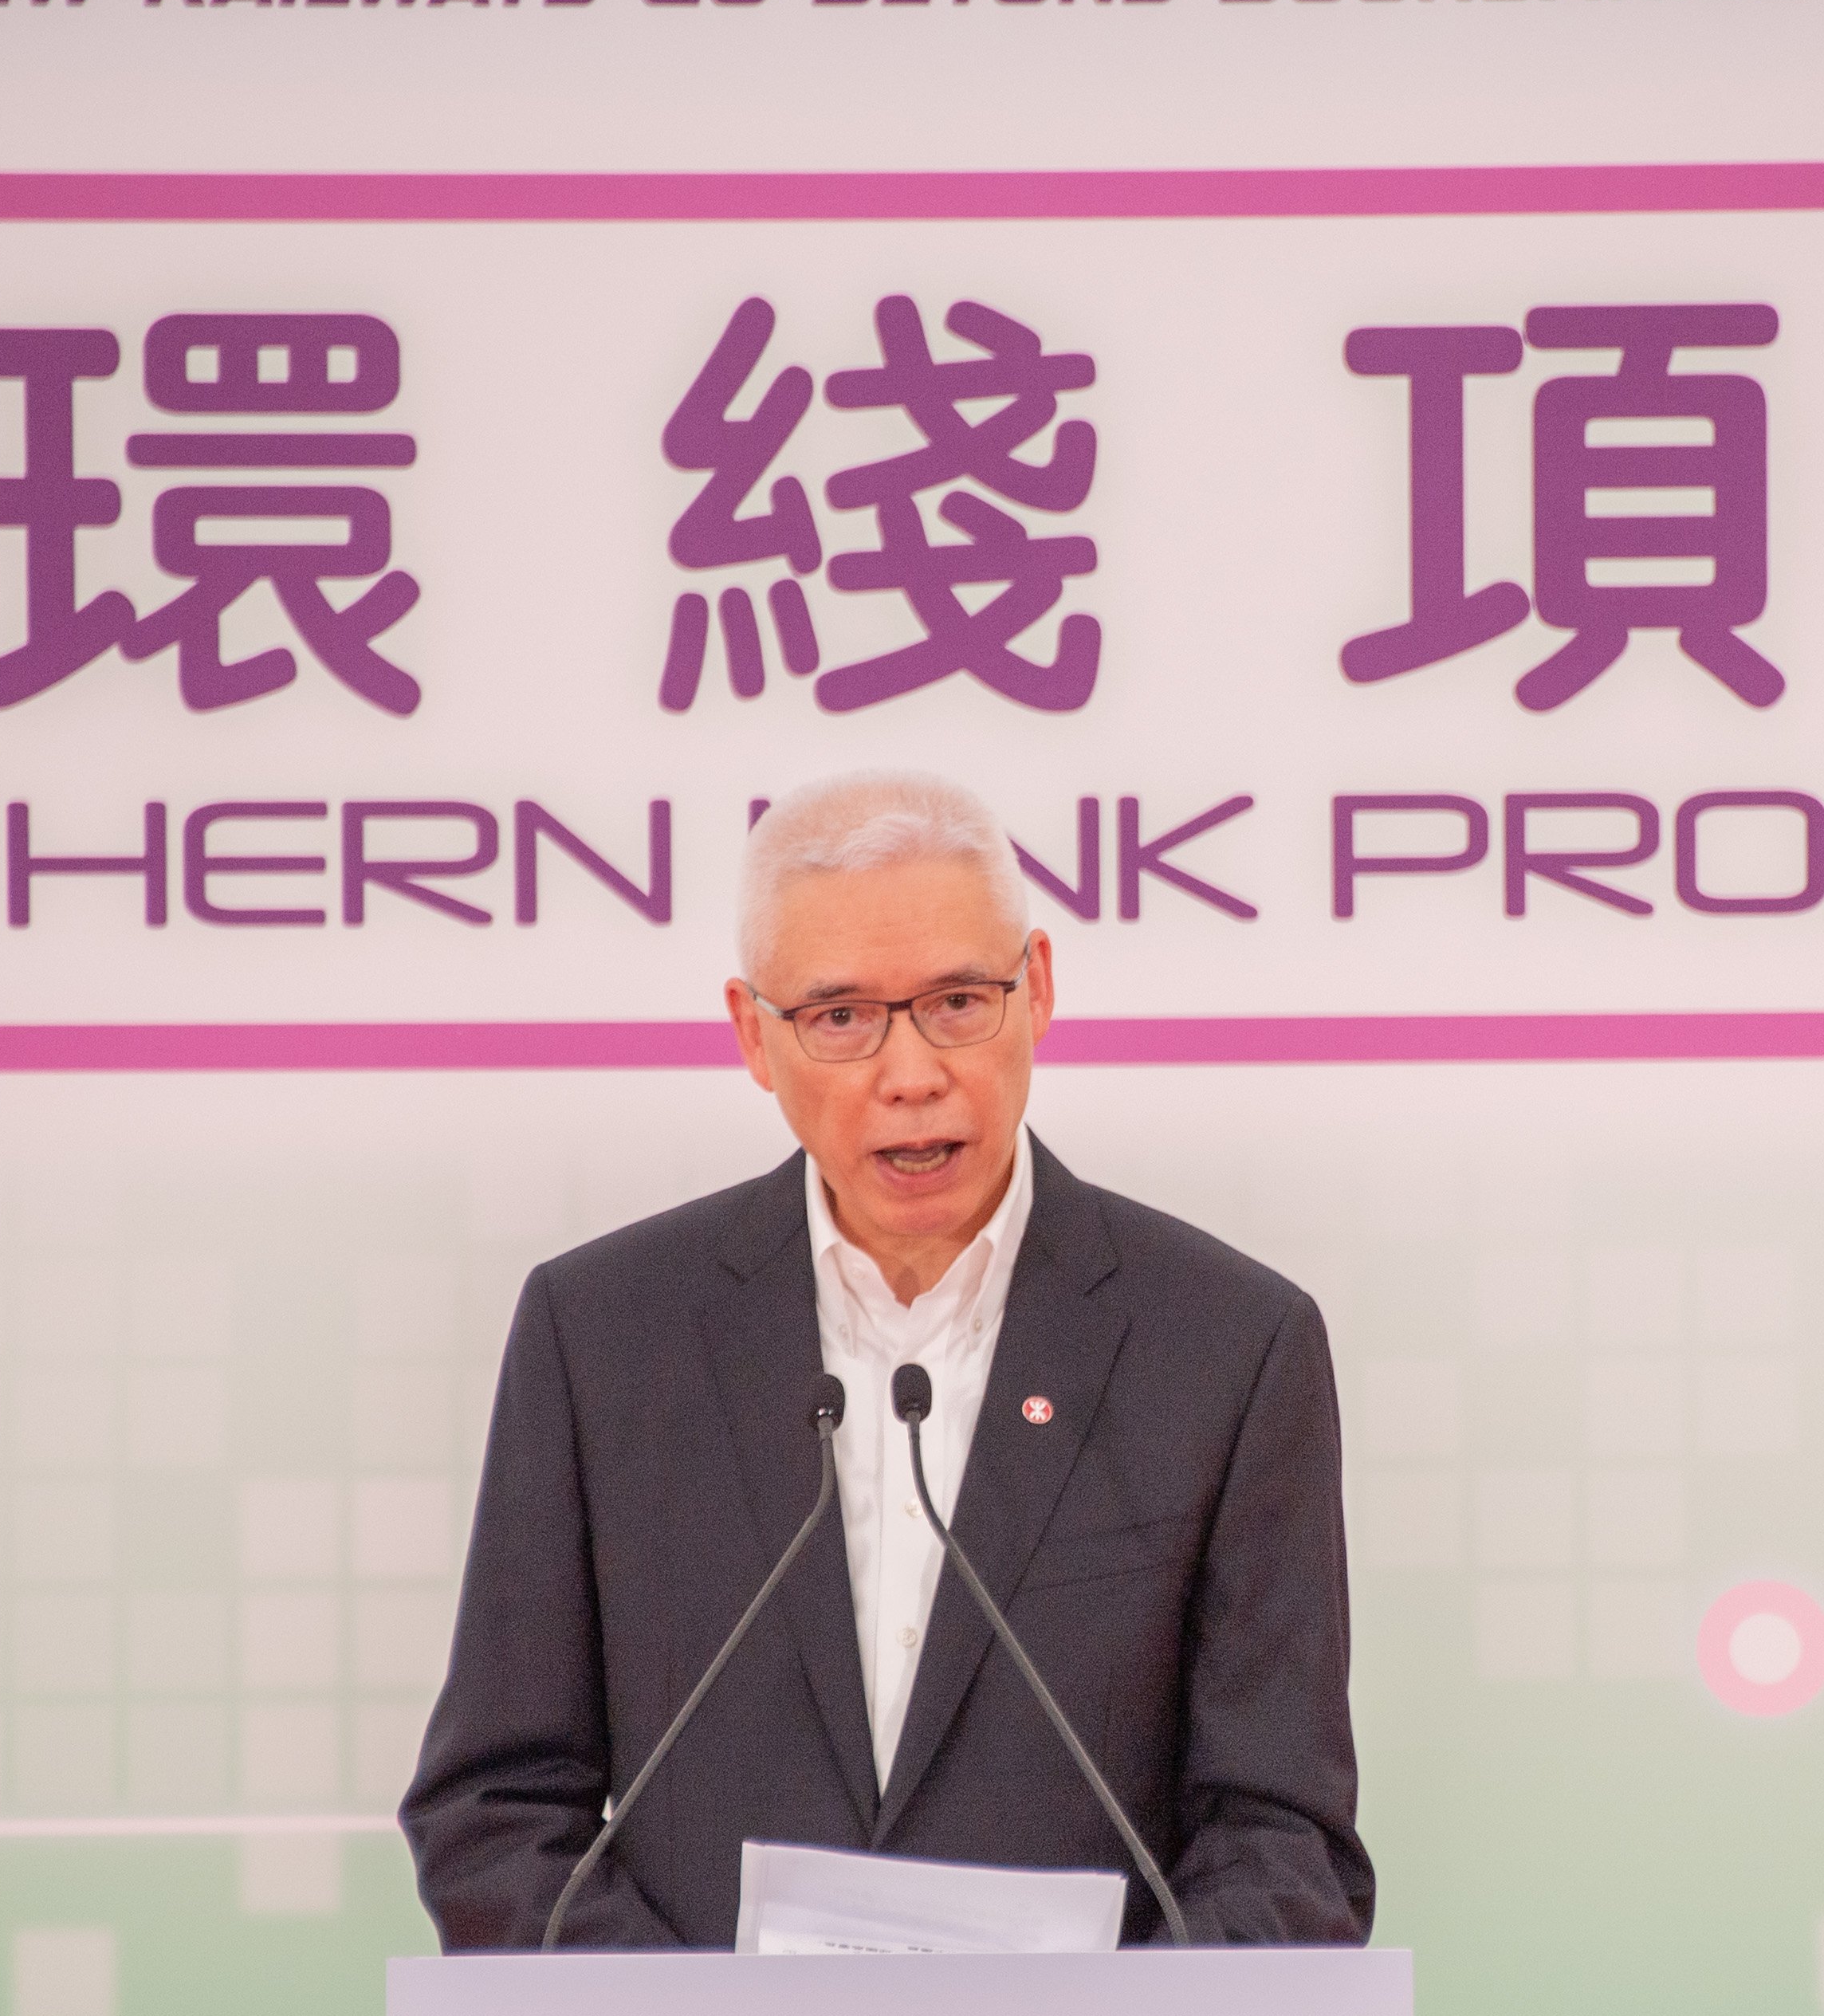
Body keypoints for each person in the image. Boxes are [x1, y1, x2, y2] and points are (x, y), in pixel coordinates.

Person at [399, 768, 1372, 1948]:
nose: (911, 1075)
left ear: (1038, 989)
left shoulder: (1227, 1348)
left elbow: (1283, 1845)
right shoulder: (601, 1338)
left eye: (959, 1001)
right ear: (755, 1036)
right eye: (841, 1018)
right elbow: (497, 1815)